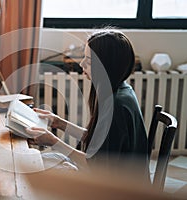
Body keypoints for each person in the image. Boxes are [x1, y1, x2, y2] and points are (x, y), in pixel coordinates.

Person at [26, 29, 149, 178]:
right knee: (39, 163)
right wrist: (58, 122)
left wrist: (53, 141)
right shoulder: (122, 90)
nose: (82, 64)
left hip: (117, 190)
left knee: (33, 169)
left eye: (89, 61)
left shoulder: (116, 105)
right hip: (117, 181)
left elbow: (96, 166)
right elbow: (98, 141)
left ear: (106, 66)